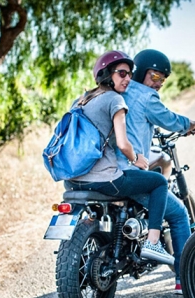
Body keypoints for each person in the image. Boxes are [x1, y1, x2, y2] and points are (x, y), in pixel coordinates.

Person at [64, 50, 174, 266]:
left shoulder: (82, 99)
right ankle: (152, 242)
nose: (128, 79)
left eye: (130, 74)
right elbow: (123, 144)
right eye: (122, 73)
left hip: (73, 179)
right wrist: (136, 159)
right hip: (105, 179)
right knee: (159, 182)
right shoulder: (115, 99)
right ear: (107, 74)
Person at [117, 49, 195, 294]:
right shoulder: (145, 97)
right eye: (154, 77)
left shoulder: (118, 91)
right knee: (178, 213)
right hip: (128, 170)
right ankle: (185, 279)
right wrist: (192, 125)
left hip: (105, 170)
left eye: (162, 80)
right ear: (142, 72)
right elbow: (169, 119)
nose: (158, 84)